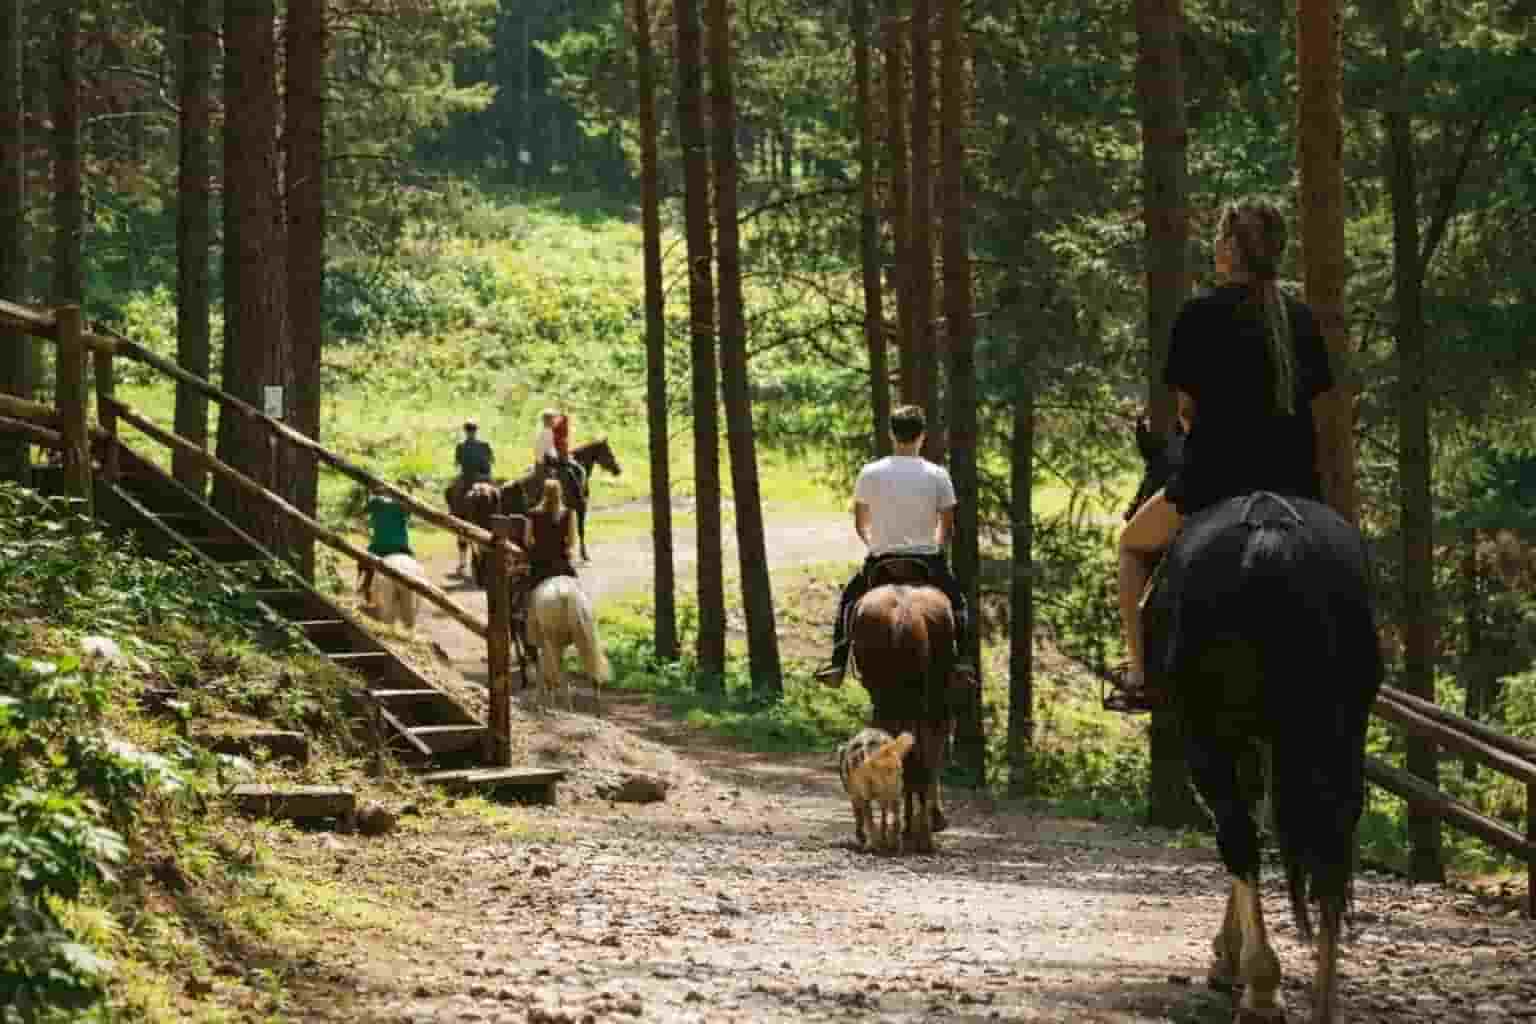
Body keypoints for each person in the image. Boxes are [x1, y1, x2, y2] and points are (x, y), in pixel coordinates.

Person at [1111, 196, 1335, 711]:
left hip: (1214, 481)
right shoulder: (1300, 319)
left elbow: (1187, 413)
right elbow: (1320, 412)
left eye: (1220, 238)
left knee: (1130, 546)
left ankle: (1141, 674)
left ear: (1232, 249)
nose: (1215, 246)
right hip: (1297, 486)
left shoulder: (1199, 315)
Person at [813, 404, 975, 685]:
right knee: (958, 604)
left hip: (882, 559)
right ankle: (962, 662)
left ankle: (837, 664)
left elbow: (861, 523)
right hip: (926, 559)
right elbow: (947, 526)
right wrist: (934, 547)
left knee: (848, 602)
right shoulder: (938, 475)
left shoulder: (870, 472)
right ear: (922, 436)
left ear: (891, 434)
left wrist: (875, 544)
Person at [517, 476, 579, 642]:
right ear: (560, 493)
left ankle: (530, 629)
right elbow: (572, 542)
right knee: (578, 591)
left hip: (540, 564)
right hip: (561, 564)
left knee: (527, 598)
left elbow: (527, 541)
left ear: (544, 493)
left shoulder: (532, 514)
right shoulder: (569, 513)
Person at [358, 486, 413, 606]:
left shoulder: (375, 502)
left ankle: (365, 589)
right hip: (401, 546)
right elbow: (408, 517)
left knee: (363, 563)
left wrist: (365, 532)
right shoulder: (404, 504)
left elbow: (359, 516)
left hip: (379, 546)